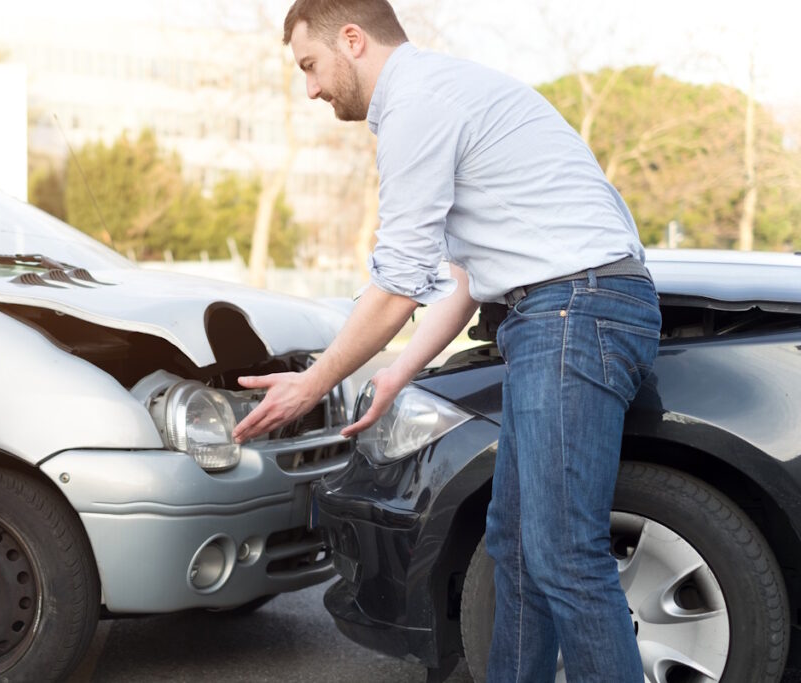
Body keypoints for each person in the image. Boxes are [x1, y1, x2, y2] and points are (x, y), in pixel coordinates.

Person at [233, 1, 660, 680]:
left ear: (352, 39)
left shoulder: (417, 103)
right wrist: (395, 373)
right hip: (560, 311)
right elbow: (465, 281)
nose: (309, 87)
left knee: (560, 553)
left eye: (310, 66)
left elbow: (398, 284)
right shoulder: (446, 90)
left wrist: (312, 383)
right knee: (517, 548)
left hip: (574, 311)